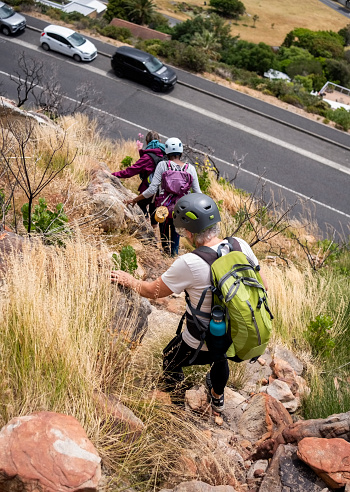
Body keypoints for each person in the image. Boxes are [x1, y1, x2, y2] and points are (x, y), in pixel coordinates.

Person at [111, 193, 268, 413]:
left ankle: (175, 408)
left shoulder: (190, 263)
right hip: (241, 331)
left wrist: (129, 280)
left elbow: (152, 291)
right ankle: (217, 396)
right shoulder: (240, 245)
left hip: (203, 338)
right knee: (219, 356)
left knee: (170, 358)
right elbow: (264, 286)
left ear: (189, 232)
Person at [126, 137, 201, 257]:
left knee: (164, 234)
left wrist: (135, 199)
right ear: (181, 152)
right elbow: (197, 193)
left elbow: (152, 190)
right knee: (176, 234)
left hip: (163, 208)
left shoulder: (162, 165)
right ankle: (174, 255)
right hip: (182, 208)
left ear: (167, 152)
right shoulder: (190, 169)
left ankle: (166, 255)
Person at [112, 131, 165, 231]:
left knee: (141, 205)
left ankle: (146, 230)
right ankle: (155, 238)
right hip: (162, 190)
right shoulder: (164, 154)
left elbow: (130, 172)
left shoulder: (148, 157)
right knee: (154, 211)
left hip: (149, 188)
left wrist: (112, 175)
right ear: (160, 141)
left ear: (146, 141)